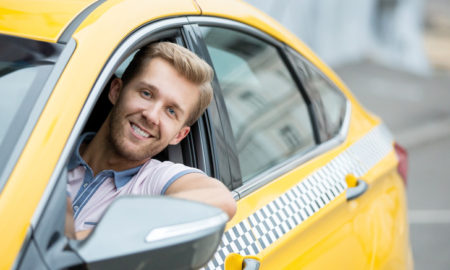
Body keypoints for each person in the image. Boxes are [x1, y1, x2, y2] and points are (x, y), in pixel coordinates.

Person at [66, 42, 236, 239]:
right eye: (146, 94)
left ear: (179, 135)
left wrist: (80, 241)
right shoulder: (48, 149)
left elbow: (221, 200)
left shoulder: (154, 182)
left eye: (171, 111)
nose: (152, 116)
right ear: (116, 90)